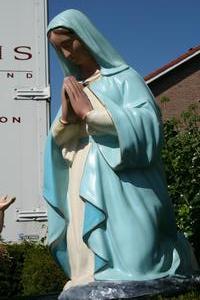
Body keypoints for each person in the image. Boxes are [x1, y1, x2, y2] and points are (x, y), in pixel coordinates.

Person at [44, 9, 197, 289]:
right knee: (85, 242)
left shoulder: (125, 78)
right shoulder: (76, 87)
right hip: (82, 177)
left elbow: (148, 125)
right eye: (58, 50)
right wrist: (66, 117)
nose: (66, 55)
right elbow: (57, 145)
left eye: (69, 44)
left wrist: (91, 116)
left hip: (123, 182)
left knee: (136, 250)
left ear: (86, 37)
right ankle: (88, 274)